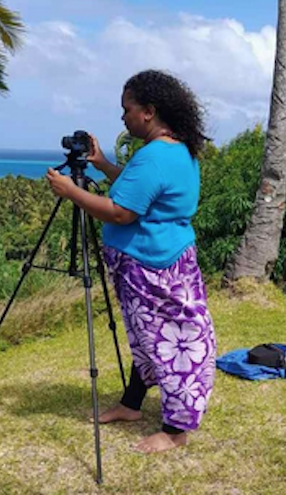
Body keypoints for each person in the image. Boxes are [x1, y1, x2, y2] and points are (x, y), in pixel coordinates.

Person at [46, 69, 216, 454]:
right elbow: (140, 190)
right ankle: (132, 404)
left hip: (153, 267)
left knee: (170, 344)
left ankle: (175, 430)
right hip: (162, 262)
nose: (123, 117)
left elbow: (122, 212)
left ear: (149, 112)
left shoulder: (155, 156)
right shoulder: (175, 149)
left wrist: (71, 191)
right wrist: (104, 164)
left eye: (127, 109)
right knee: (147, 341)